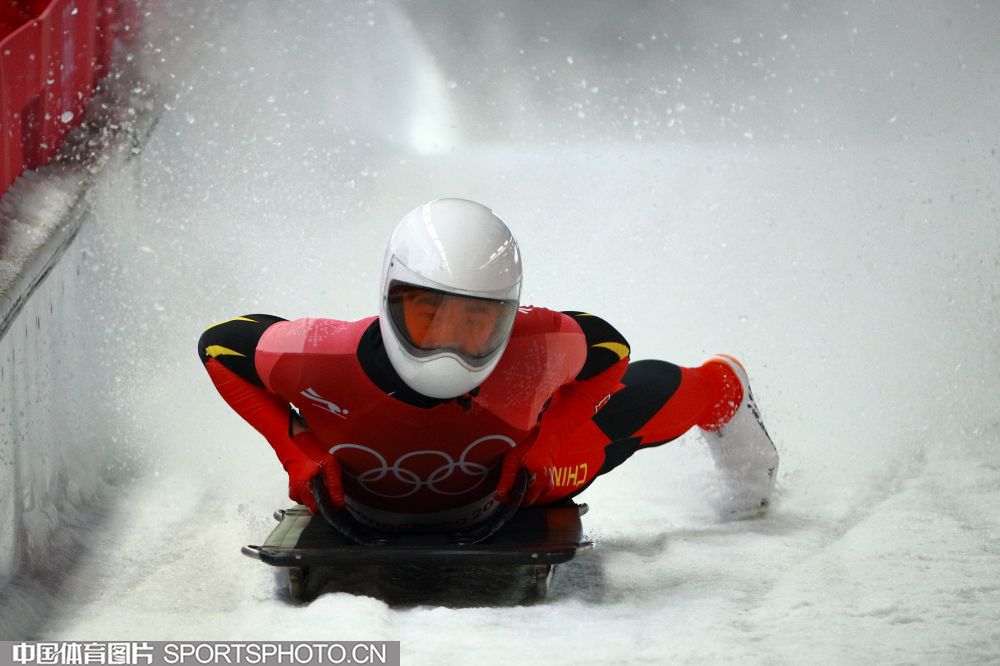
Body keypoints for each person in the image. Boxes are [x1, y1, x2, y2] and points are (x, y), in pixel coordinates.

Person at [198, 198, 778, 531]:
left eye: (475, 322)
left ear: (507, 314)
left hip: (519, 476)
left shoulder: (535, 344)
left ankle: (724, 387)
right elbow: (220, 346)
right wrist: (295, 449)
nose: (449, 345)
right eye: (430, 317)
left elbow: (612, 353)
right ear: (391, 298)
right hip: (490, 476)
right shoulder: (318, 353)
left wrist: (550, 439)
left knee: (646, 403)